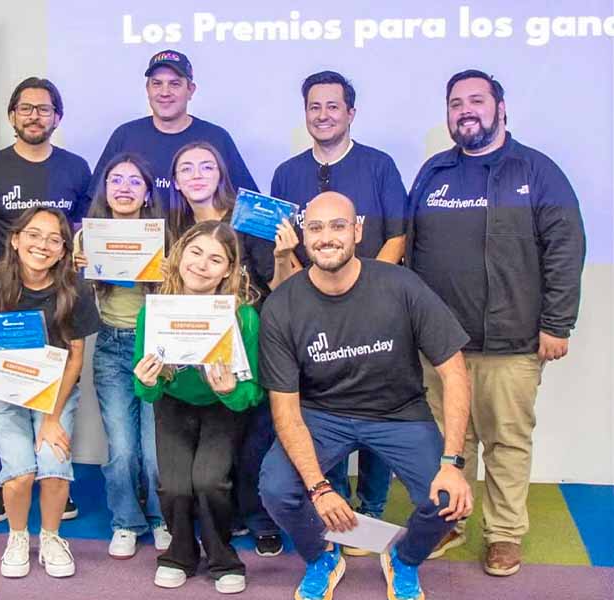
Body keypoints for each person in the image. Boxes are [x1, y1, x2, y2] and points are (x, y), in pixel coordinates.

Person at [407, 69, 585, 575]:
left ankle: (504, 534)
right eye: (456, 103)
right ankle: (450, 521)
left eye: (477, 100)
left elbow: (566, 249)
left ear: (500, 108)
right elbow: (412, 253)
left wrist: (558, 324)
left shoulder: (538, 171)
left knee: (505, 442)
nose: (465, 110)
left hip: (512, 343)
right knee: (450, 441)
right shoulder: (433, 172)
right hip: (441, 345)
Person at [258, 192, 474, 600]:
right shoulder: (282, 306)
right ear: (304, 235)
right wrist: (319, 489)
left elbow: (455, 371)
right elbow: (284, 409)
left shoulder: (401, 285)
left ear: (357, 230)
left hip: (398, 412)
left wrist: (452, 463)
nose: (326, 237)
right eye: (316, 227)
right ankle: (322, 557)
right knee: (277, 489)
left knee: (449, 498)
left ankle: (404, 559)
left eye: (338, 226)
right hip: (321, 414)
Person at [245, 72, 409, 542]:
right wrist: (314, 295)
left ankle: (371, 508)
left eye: (333, 106)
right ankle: (336, 513)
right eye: (314, 107)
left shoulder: (379, 166)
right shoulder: (286, 173)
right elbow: (285, 246)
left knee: (379, 410)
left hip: (375, 313)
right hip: (312, 316)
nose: (323, 115)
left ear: (350, 113)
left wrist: (367, 292)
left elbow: (397, 235)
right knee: (323, 412)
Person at [0, 207, 100, 579]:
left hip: (55, 393)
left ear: (64, 250)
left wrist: (51, 418)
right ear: (16, 240)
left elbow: (76, 357)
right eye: (34, 235)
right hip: (4, 394)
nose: (43, 245)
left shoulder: (75, 289)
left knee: (54, 467)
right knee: (19, 472)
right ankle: (17, 537)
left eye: (54, 239)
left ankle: (51, 538)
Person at [133, 221, 264, 595]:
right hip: (173, 407)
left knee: (209, 481)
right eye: (195, 252)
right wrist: (148, 382)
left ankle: (223, 559)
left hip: (222, 409)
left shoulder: (243, 317)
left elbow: (253, 391)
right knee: (174, 486)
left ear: (228, 270)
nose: (202, 265)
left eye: (215, 259)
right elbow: (145, 390)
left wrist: (230, 391)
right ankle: (179, 554)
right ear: (179, 255)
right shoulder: (153, 313)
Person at [169, 141, 283, 556]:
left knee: (255, 438)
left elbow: (277, 283)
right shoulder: (173, 226)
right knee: (217, 436)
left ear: (221, 174)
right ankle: (225, 514)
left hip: (253, 341)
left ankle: (260, 517)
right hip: (195, 345)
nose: (197, 175)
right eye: (186, 168)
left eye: (206, 166)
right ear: (175, 181)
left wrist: (286, 254)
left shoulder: (249, 218)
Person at [73, 154, 171, 559]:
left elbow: (183, 297)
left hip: (156, 347)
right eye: (116, 180)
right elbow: (71, 301)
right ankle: (126, 521)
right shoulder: (86, 238)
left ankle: (163, 518)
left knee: (155, 450)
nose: (124, 188)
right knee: (123, 448)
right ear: (105, 189)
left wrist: (170, 272)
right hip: (111, 346)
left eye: (134, 181)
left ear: (147, 193)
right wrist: (75, 271)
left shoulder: (165, 239)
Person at [90, 49, 257, 205]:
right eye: (157, 83)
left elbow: (250, 205)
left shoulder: (216, 138)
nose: (165, 92)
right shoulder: (125, 135)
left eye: (175, 84)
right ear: (147, 89)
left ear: (191, 90)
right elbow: (94, 200)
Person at [0, 77, 91, 266]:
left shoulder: (77, 168)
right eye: (25, 108)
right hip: (1, 281)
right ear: (12, 116)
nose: (34, 116)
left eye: (44, 109)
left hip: (60, 281)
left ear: (57, 118)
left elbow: (81, 233)